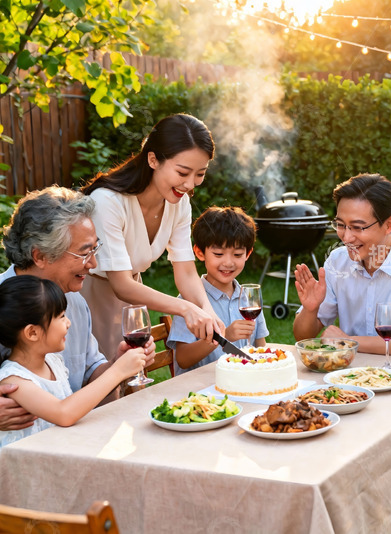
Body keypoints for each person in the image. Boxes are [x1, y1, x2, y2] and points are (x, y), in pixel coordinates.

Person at [0, 186, 156, 432]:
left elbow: (92, 373)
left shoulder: (74, 302)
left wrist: (119, 364)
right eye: (84, 253)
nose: (93, 264)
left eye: (95, 249)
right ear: (40, 256)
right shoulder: (4, 304)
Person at [80, 114, 224, 358]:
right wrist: (185, 308)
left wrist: (207, 309)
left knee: (134, 380)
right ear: (153, 159)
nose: (190, 184)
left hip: (134, 298)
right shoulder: (107, 202)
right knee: (101, 382)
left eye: (200, 174)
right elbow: (120, 284)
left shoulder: (179, 204)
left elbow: (186, 271)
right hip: (89, 297)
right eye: (182, 172)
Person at [293, 173, 391, 359]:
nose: (347, 237)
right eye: (341, 225)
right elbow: (302, 336)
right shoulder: (337, 261)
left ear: (389, 224)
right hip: (355, 377)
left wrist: (348, 342)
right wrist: (310, 310)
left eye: (358, 227)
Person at [0, 276, 146, 447]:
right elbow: (64, 413)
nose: (68, 323)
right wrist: (118, 372)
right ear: (32, 333)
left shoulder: (53, 362)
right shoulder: (14, 379)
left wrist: (116, 363)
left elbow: (75, 403)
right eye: (61, 316)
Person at [166, 207, 268, 375]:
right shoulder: (190, 301)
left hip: (240, 384)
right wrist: (225, 335)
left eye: (237, 254)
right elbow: (183, 359)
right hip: (200, 392)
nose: (228, 263)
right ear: (199, 252)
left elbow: (260, 347)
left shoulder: (249, 298)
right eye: (219, 254)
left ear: (248, 254)